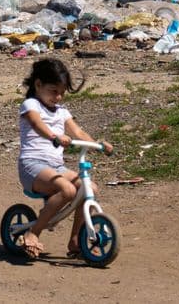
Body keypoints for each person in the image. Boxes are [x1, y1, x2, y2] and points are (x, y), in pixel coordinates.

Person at [17, 57, 113, 259]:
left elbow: (78, 132)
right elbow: (36, 124)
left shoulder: (62, 112)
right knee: (67, 190)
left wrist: (98, 144)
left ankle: (76, 241)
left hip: (55, 167)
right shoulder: (31, 104)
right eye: (54, 91)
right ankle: (33, 232)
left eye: (62, 92)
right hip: (32, 166)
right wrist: (54, 136)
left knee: (90, 188)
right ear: (38, 84)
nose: (58, 97)